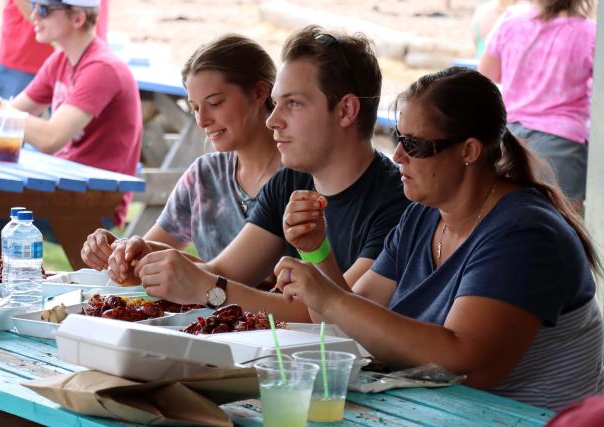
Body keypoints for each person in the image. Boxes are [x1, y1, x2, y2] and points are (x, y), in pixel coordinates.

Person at [268, 67, 603, 411]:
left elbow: (462, 363)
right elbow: (348, 329)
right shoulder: (423, 216)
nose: (397, 155)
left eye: (414, 144)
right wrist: (316, 251)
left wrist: (331, 298)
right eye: (398, 138)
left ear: (469, 150)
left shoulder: (526, 233)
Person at [107, 25, 410, 320]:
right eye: (276, 103)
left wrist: (211, 290)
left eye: (293, 103)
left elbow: (339, 315)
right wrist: (147, 259)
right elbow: (225, 272)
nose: (272, 120)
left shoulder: (398, 202)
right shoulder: (291, 181)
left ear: (345, 111)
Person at [81, 34, 280, 266]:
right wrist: (117, 251)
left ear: (259, 93)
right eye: (194, 108)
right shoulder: (205, 176)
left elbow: (252, 281)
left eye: (215, 103)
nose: (202, 120)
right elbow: (143, 255)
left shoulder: (299, 179)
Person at [0, 0, 142, 258]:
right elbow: (14, 114)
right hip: (63, 188)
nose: (33, 14)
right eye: (34, 5)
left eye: (44, 9)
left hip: (93, 197)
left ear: (78, 19)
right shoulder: (62, 59)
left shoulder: (101, 68)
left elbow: (50, 139)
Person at [478, 0, 595, 209]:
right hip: (562, 144)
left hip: (510, 136)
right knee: (561, 221)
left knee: (506, 213)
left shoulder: (511, 20)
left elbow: (487, 75)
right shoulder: (589, 33)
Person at [0, 0, 109, 100]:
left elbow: (56, 127)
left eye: (43, 10)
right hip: (27, 56)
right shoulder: (59, 59)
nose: (35, 15)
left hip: (77, 50)